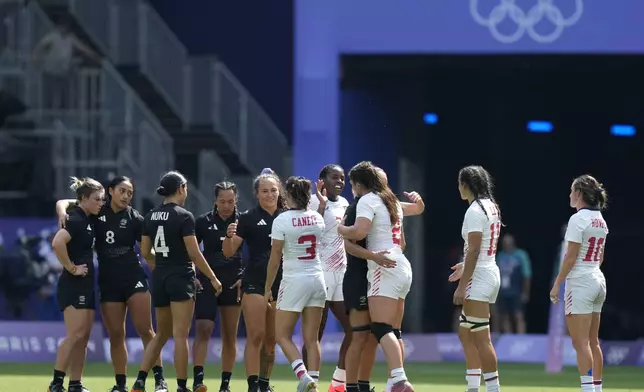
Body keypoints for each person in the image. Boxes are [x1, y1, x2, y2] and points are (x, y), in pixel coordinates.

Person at [55, 176, 167, 392]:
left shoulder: (135, 218)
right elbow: (67, 201)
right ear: (110, 192)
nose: (126, 196)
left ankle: (159, 381)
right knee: (117, 335)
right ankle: (121, 385)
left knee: (146, 330)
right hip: (108, 282)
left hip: (133, 277)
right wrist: (61, 212)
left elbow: (147, 252)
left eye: (130, 193)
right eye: (122, 191)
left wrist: (161, 274)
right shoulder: (97, 210)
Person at [131, 171, 222, 392]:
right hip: (181, 276)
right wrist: (212, 277)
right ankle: (182, 386)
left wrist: (159, 268)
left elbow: (144, 251)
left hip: (161, 277)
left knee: (161, 333)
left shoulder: (150, 215)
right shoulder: (184, 216)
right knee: (180, 334)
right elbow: (194, 253)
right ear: (181, 188)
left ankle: (140, 380)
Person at [342, 166, 424, 392]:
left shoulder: (368, 200)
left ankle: (399, 379)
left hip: (383, 265)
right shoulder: (392, 202)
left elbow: (358, 233)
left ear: (359, 184)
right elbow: (417, 211)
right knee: (394, 331)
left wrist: (339, 229)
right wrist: (418, 202)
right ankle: (393, 382)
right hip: (402, 264)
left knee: (379, 328)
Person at [223, 168, 286, 392]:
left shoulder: (288, 216)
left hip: (282, 284)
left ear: (280, 192)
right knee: (256, 335)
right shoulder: (248, 218)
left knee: (272, 339)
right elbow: (230, 252)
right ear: (257, 194)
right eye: (265, 191)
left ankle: (265, 384)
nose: (270, 195)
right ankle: (252, 385)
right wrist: (229, 237)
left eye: (274, 190)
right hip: (255, 281)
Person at [265, 176, 326, 392]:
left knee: (281, 334)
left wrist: (267, 289)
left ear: (288, 195)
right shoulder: (317, 218)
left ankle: (303, 375)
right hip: (318, 279)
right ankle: (315, 385)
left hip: (294, 280)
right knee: (312, 338)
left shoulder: (282, 220)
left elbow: (274, 259)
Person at [550, 175, 608, 392]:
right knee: (593, 341)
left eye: (571, 190)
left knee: (580, 343)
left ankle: (587, 390)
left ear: (579, 194)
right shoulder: (600, 219)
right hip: (597, 278)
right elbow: (601, 257)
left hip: (581, 281)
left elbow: (571, 256)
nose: (569, 194)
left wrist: (557, 283)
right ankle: (597, 388)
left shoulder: (578, 219)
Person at [48, 177, 104, 392]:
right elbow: (57, 242)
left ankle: (75, 384)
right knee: (75, 335)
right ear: (84, 199)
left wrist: (61, 207)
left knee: (83, 338)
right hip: (73, 284)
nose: (101, 203)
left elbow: (64, 201)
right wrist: (72, 267)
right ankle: (56, 383)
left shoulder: (86, 215)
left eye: (102, 199)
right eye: (97, 199)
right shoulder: (77, 219)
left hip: (86, 283)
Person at [450, 165, 503, 392]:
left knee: (482, 338)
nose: (458, 188)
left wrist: (462, 286)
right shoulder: (492, 206)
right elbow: (482, 248)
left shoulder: (474, 211)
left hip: (479, 277)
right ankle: (472, 387)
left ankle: (493, 388)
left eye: (459, 183)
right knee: (466, 333)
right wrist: (465, 266)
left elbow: (473, 250)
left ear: (466, 185)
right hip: (488, 270)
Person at [302, 164, 351, 392]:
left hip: (341, 275)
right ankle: (309, 383)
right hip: (319, 273)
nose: (340, 182)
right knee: (314, 335)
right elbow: (311, 233)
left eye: (342, 178)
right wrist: (321, 206)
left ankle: (338, 382)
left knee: (355, 329)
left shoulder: (345, 204)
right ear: (322, 180)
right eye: (334, 178)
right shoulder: (312, 202)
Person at [193, 181, 243, 392]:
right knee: (204, 328)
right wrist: (192, 275)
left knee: (230, 334)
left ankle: (225, 384)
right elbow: (191, 249)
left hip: (234, 281)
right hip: (207, 280)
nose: (226, 205)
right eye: (222, 201)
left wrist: (246, 276)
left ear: (236, 200)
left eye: (230, 201)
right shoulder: (202, 222)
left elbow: (258, 251)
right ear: (215, 201)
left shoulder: (243, 221)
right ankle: (198, 380)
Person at [496, 233, 532, 334]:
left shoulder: (521, 255)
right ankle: (508, 337)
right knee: (504, 316)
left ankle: (520, 338)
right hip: (503, 291)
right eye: (504, 243)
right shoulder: (500, 256)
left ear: (513, 243)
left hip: (517, 290)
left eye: (508, 242)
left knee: (518, 315)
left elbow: (527, 275)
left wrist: (526, 292)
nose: (506, 244)